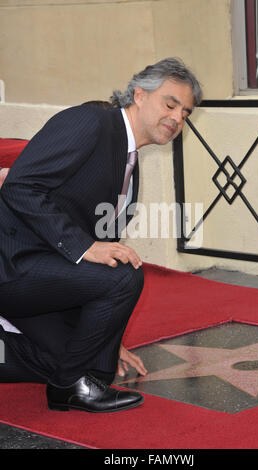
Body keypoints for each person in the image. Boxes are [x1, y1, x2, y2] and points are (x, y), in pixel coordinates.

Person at [0, 57, 202, 413]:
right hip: (13, 267)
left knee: (84, 363)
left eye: (185, 113)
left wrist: (104, 331)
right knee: (124, 276)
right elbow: (20, 186)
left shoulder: (128, 159)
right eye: (170, 104)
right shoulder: (90, 122)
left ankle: (52, 367)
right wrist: (84, 246)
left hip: (43, 272)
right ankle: (67, 388)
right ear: (140, 94)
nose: (177, 118)